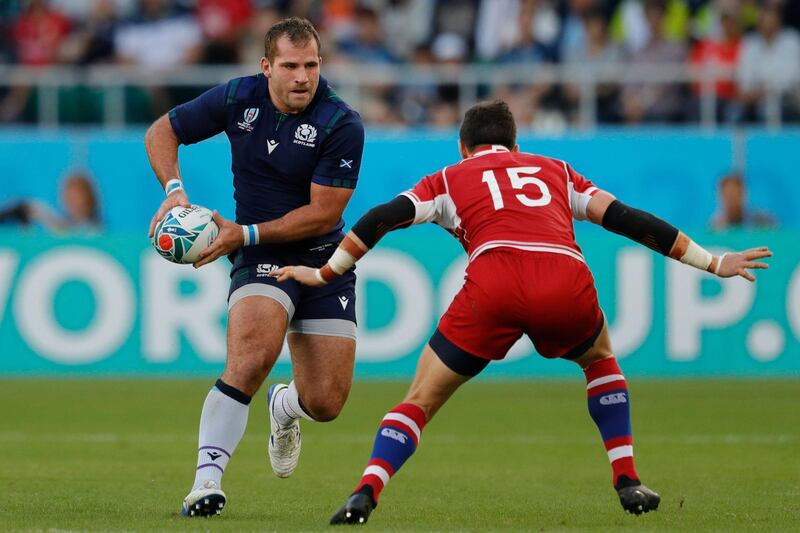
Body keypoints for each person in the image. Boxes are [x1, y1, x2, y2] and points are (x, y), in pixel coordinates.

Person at [271, 100, 772, 525]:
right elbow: (627, 219)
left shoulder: (449, 176)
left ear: (464, 148)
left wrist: (325, 274)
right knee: (599, 360)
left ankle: (367, 490)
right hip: (564, 277)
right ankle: (628, 479)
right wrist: (713, 260)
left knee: (421, 398)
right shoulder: (554, 169)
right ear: (514, 144)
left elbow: (381, 218)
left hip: (494, 284)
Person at [143, 17, 365, 517]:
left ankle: (284, 407)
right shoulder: (237, 98)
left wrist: (241, 233)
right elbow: (162, 131)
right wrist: (173, 192)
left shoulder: (340, 122)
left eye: (311, 65)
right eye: (290, 66)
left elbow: (324, 213)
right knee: (250, 358)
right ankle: (205, 483)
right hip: (261, 257)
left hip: (323, 259)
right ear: (267, 67)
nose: (302, 76)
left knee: (326, 403)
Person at [710, 172, 776, 230]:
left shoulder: (762, 220)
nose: (731, 200)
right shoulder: (716, 225)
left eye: (734, 195)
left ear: (743, 195)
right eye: (727, 195)